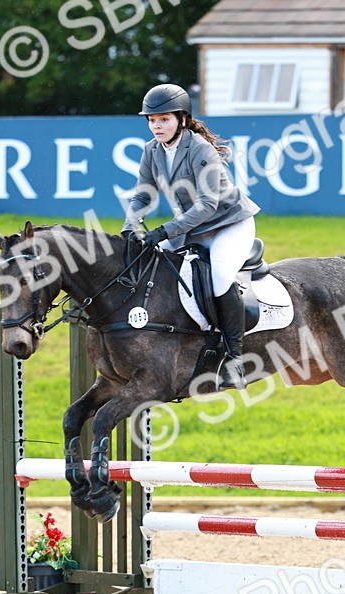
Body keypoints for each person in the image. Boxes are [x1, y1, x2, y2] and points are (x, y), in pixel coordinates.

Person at [122, 83, 260, 390]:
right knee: (152, 265)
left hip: (228, 224)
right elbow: (142, 196)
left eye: (163, 120)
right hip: (192, 228)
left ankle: (235, 360)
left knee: (221, 277)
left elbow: (208, 205)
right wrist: (131, 226)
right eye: (151, 120)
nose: (156, 126)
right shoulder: (152, 151)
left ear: (182, 120)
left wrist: (163, 231)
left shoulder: (200, 150)